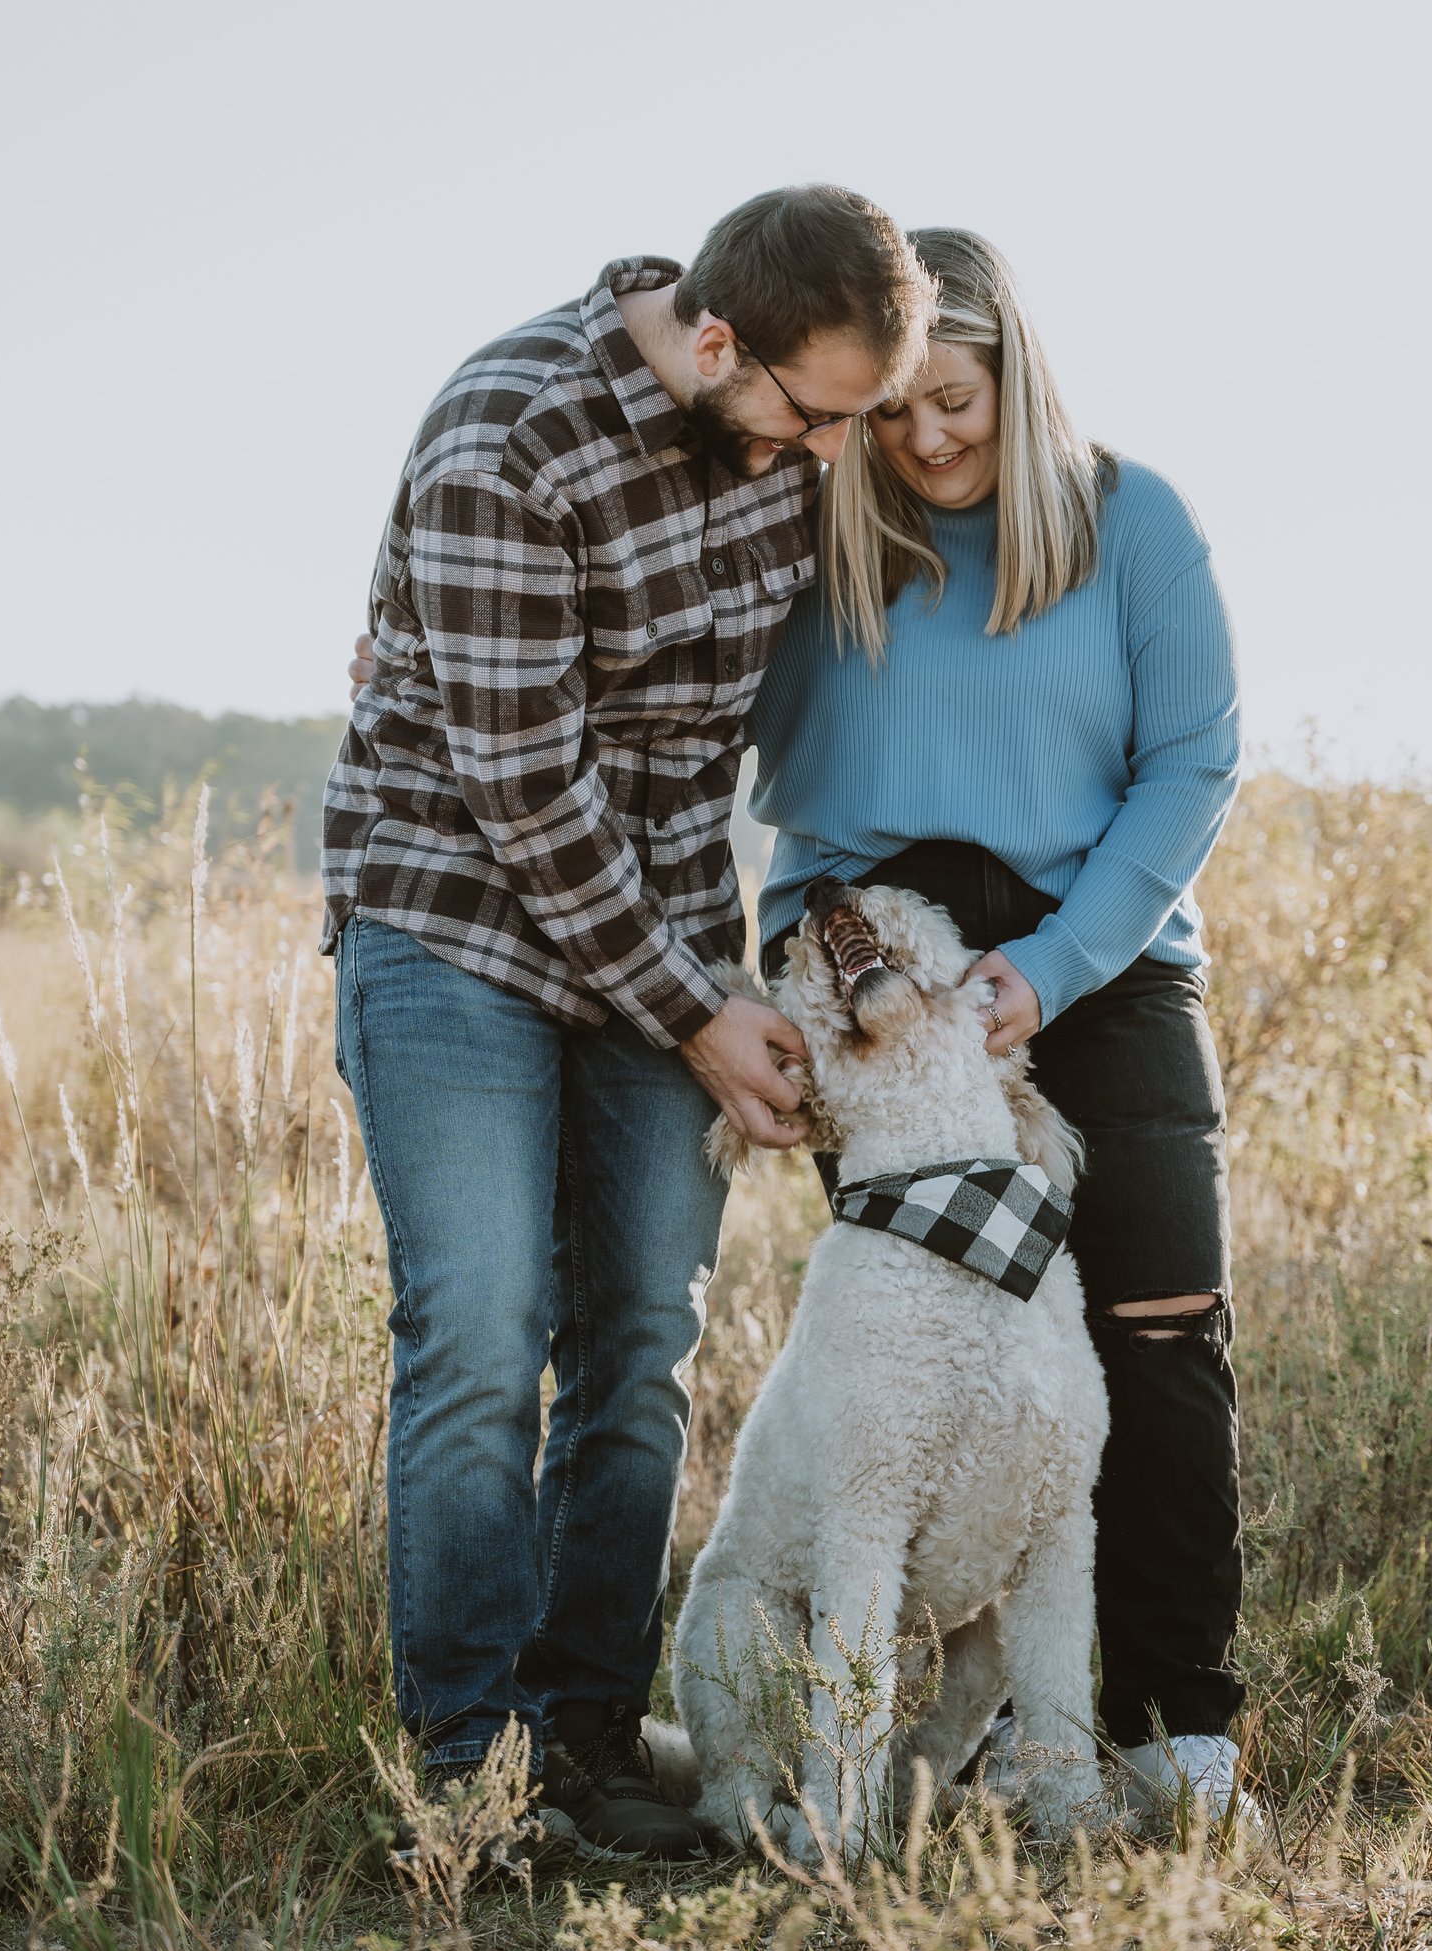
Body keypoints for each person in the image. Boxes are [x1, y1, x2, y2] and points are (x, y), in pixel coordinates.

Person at [324, 186, 934, 1863]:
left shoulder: (793, 443)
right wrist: (699, 1015)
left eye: (857, 422)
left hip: (661, 945)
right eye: (816, 416)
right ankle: (467, 1784)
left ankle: (582, 1741)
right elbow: (528, 796)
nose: (832, 456)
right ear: (715, 340)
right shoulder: (505, 434)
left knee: (644, 1347)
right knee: (478, 1328)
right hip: (455, 928)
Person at [746, 227, 1252, 1830]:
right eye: (892, 413)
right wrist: (801, 956)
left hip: (1094, 965)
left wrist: (1055, 964)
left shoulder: (1135, 520)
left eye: (953, 400)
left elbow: (1194, 760)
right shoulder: (825, 534)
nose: (928, 440)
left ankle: (1174, 1734)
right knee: (936, 1381)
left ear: (1013, 374)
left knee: (1156, 1334)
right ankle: (942, 1742)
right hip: (896, 996)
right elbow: (699, 731)